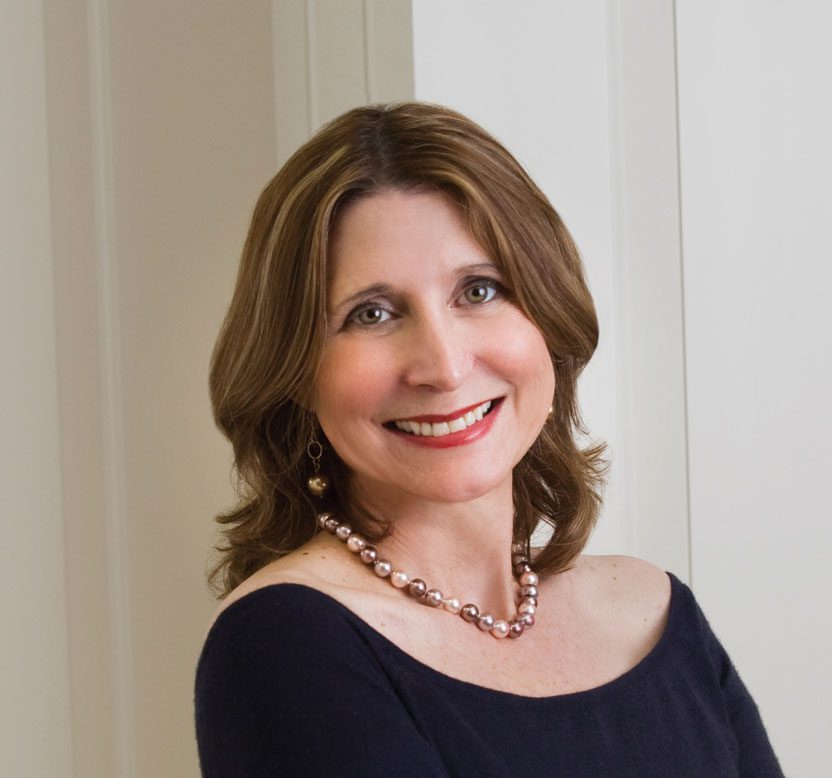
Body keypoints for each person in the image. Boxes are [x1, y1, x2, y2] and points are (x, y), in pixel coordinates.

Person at [194, 102, 783, 777]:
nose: (444, 366)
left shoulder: (653, 612)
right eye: (372, 313)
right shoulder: (285, 643)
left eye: (479, 291)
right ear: (297, 369)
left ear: (548, 317)